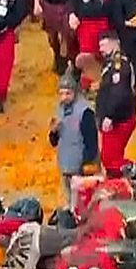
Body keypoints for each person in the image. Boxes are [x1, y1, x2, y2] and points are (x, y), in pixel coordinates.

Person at [51, 72, 99, 204]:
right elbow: (54, 141)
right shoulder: (59, 110)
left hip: (82, 167)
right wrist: (53, 132)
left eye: (68, 93)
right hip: (66, 165)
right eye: (61, 94)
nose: (64, 97)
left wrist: (86, 164)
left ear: (75, 93)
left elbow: (91, 142)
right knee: (70, 201)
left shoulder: (85, 112)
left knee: (86, 202)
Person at [95, 30, 136, 175]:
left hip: (119, 119)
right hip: (115, 118)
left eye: (103, 45)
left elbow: (119, 92)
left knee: (111, 159)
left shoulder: (119, 65)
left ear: (115, 43)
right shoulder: (110, 64)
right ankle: (116, 184)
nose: (101, 49)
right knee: (109, 158)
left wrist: (110, 116)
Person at [34, 0, 76, 73]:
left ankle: (67, 61)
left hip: (68, 3)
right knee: (52, 36)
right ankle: (57, 56)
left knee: (68, 34)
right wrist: (36, 3)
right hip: (50, 3)